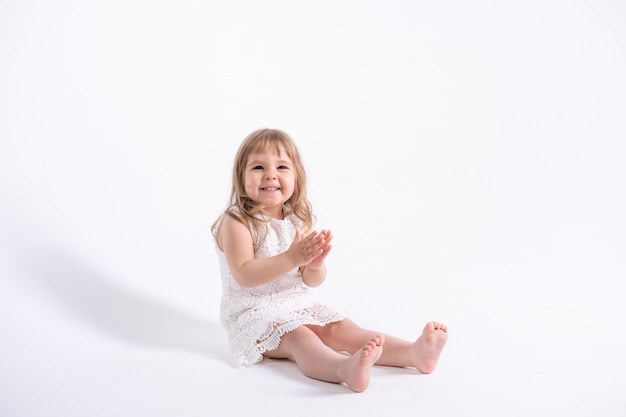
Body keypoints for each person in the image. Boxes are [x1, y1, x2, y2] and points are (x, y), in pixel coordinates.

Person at [211, 128, 448, 392]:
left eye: (281, 167)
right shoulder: (237, 221)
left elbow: (311, 281)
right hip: (253, 313)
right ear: (241, 178)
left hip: (295, 303)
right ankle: (341, 368)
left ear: (296, 178)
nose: (270, 174)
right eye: (258, 167)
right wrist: (292, 257)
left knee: (340, 328)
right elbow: (245, 274)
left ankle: (412, 353)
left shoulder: (294, 220)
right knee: (301, 337)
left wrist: (314, 265)